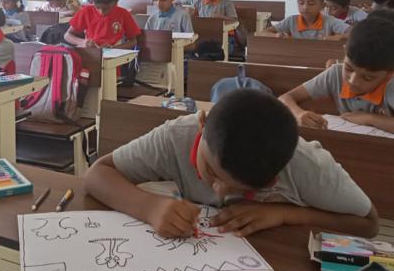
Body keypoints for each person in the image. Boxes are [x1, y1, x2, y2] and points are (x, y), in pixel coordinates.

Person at [84, 90, 378, 239]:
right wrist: (149, 207)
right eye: (211, 172)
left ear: (272, 180)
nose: (219, 192)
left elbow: (369, 223)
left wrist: (284, 214)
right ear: (202, 125)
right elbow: (97, 174)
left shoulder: (305, 164)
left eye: (242, 189)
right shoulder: (176, 137)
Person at [280, 13, 394, 133]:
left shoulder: (390, 85)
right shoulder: (335, 74)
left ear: (390, 73)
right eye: (348, 68)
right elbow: (284, 98)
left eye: (368, 77)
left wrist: (370, 118)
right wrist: (298, 114)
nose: (353, 81)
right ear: (344, 51)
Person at [64, 0, 140, 48]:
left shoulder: (123, 14)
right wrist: (82, 42)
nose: (101, 12)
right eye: (97, 7)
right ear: (92, 2)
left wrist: (114, 49)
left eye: (106, 8)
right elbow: (67, 35)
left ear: (115, 2)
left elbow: (133, 41)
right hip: (92, 53)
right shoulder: (86, 11)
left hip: (114, 54)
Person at [262, 0, 349, 39]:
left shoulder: (330, 21)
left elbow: (353, 34)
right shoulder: (291, 20)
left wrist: (337, 37)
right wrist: (276, 35)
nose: (305, 7)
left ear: (322, 6)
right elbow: (263, 32)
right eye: (301, 3)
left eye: (311, 3)